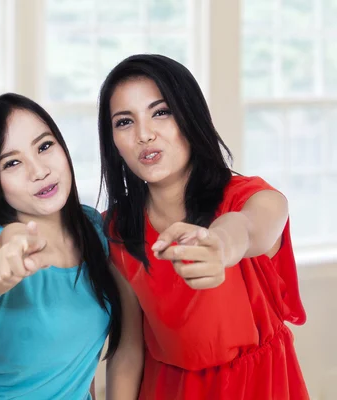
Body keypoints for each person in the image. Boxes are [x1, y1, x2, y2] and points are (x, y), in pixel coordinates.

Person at [97, 54, 309, 399]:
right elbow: (128, 348)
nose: (144, 135)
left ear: (189, 115)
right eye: (124, 122)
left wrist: (220, 246)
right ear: (113, 141)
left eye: (160, 112)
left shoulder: (250, 198)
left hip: (258, 387)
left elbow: (249, 227)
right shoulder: (118, 231)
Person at [0, 93, 144, 399]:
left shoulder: (94, 229)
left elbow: (86, 362)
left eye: (44, 146)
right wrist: (9, 245)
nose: (39, 171)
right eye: (12, 163)